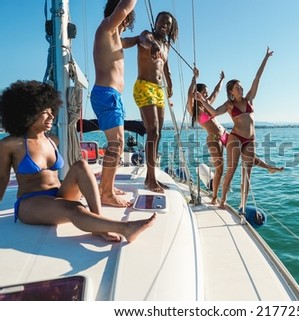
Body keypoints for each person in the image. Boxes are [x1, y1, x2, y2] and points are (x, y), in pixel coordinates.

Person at [0, 80, 156, 243]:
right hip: (31, 202)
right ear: (28, 112)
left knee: (81, 165)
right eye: (45, 112)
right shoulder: (10, 144)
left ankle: (98, 222)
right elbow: (2, 179)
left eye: (51, 111)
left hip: (58, 194)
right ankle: (125, 228)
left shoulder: (53, 140)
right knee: (74, 208)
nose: (52, 116)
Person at [188, 67, 283, 205]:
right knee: (221, 168)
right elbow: (190, 96)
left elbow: (216, 92)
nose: (207, 96)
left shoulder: (208, 103)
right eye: (204, 93)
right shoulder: (193, 110)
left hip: (226, 135)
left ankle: (267, 167)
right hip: (214, 139)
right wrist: (194, 79)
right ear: (198, 94)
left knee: (248, 158)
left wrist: (221, 80)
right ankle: (216, 197)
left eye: (206, 94)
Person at [90, 0, 139, 207]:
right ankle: (106, 194)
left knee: (117, 144)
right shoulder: (106, 27)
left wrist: (141, 37)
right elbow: (124, 7)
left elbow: (127, 42)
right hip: (106, 94)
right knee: (117, 143)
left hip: (112, 96)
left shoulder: (115, 37)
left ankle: (105, 187)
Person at [133, 11, 178, 193]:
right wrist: (152, 45)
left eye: (168, 24)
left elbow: (166, 68)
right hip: (144, 86)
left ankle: (150, 178)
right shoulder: (148, 36)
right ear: (156, 22)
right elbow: (143, 39)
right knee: (152, 131)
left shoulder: (166, 46)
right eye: (162, 22)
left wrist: (170, 84)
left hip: (160, 90)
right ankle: (151, 180)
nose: (164, 25)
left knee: (158, 134)